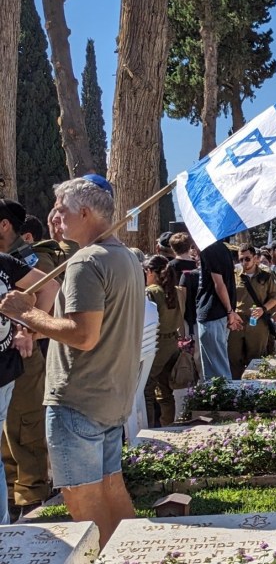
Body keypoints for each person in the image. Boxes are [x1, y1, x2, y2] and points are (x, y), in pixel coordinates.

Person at [0, 176, 139, 544]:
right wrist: (36, 330)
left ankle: (102, 555)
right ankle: (128, 553)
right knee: (110, 485)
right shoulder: (124, 256)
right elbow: (96, 326)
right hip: (110, 394)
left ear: (85, 212)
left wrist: (25, 314)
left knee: (81, 497)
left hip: (78, 398)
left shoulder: (86, 262)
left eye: (61, 210)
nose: (54, 217)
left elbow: (83, 335)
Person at [0, 199, 64, 520]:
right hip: (9, 358)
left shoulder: (27, 256)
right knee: (8, 431)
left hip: (24, 355)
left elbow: (50, 288)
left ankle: (31, 496)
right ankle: (13, 493)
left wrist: (29, 329)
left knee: (25, 426)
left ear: (4, 224)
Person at [229, 245, 276, 379]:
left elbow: (275, 297)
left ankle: (255, 385)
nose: (244, 262)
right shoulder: (233, 275)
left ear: (255, 258)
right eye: (241, 259)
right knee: (234, 357)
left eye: (247, 259)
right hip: (237, 321)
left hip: (257, 322)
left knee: (256, 358)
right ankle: (236, 385)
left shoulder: (266, 275)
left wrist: (263, 309)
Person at [194, 238, 242, 381]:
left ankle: (222, 394)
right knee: (218, 365)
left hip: (212, 313)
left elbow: (219, 284)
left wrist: (230, 311)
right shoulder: (223, 248)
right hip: (218, 313)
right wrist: (231, 311)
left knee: (216, 371)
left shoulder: (209, 248)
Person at [142, 255, 182, 426]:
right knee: (165, 390)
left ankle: (149, 427)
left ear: (151, 272)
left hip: (156, 344)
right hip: (172, 343)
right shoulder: (175, 290)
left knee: (147, 390)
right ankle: (168, 424)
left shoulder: (151, 292)